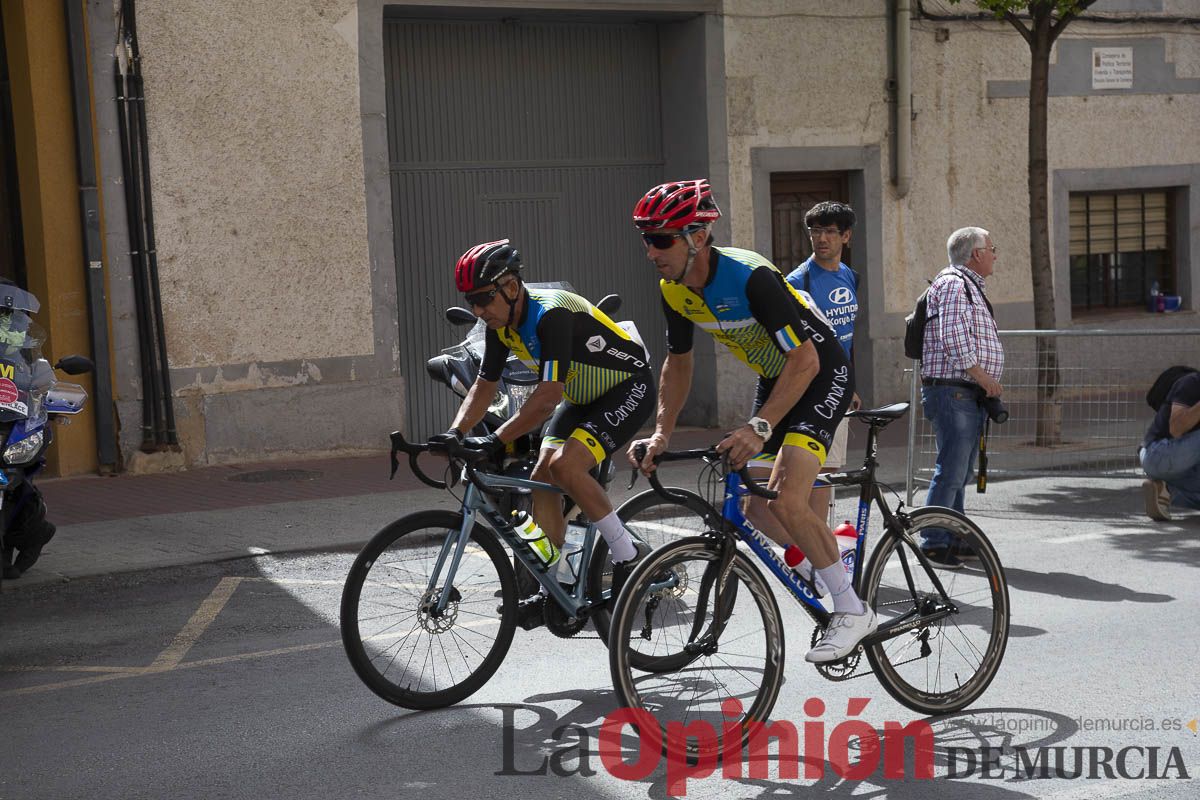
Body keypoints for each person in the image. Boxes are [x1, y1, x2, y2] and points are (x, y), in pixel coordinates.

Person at [626, 179, 871, 664]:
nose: (650, 251)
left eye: (661, 239)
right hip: (776, 377)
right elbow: (678, 364)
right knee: (755, 504)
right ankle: (821, 560)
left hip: (819, 372)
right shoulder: (673, 290)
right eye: (646, 239)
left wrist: (758, 426)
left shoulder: (749, 276)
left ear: (696, 236)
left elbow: (804, 361)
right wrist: (661, 432)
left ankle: (851, 608)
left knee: (785, 492)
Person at [434, 239, 655, 605]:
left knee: (567, 467)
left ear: (511, 287)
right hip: (582, 398)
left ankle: (627, 555)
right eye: (471, 300)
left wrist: (494, 440)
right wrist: (455, 432)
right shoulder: (500, 325)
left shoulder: (550, 315)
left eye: (483, 298)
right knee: (540, 478)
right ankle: (553, 585)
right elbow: (484, 385)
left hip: (627, 388)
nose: (477, 309)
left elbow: (548, 396)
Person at [918, 227, 1003, 568]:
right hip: (954, 390)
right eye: (992, 248)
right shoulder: (955, 284)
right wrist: (985, 379)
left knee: (961, 469)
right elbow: (954, 339)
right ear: (976, 254)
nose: (996, 255)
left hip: (962, 391)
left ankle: (956, 535)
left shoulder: (965, 285)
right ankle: (934, 541)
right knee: (951, 470)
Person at [785, 201, 862, 523]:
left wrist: (851, 384)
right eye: (816, 231)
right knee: (813, 468)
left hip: (839, 384)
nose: (821, 239)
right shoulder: (797, 281)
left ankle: (823, 541)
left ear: (846, 236)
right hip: (810, 386)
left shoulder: (849, 276)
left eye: (830, 231)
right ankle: (816, 546)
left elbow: (846, 335)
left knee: (829, 468)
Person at [1140, 367, 1200, 521]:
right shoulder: (1191, 382)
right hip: (1158, 453)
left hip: (1185, 468)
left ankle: (1164, 492)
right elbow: (1176, 428)